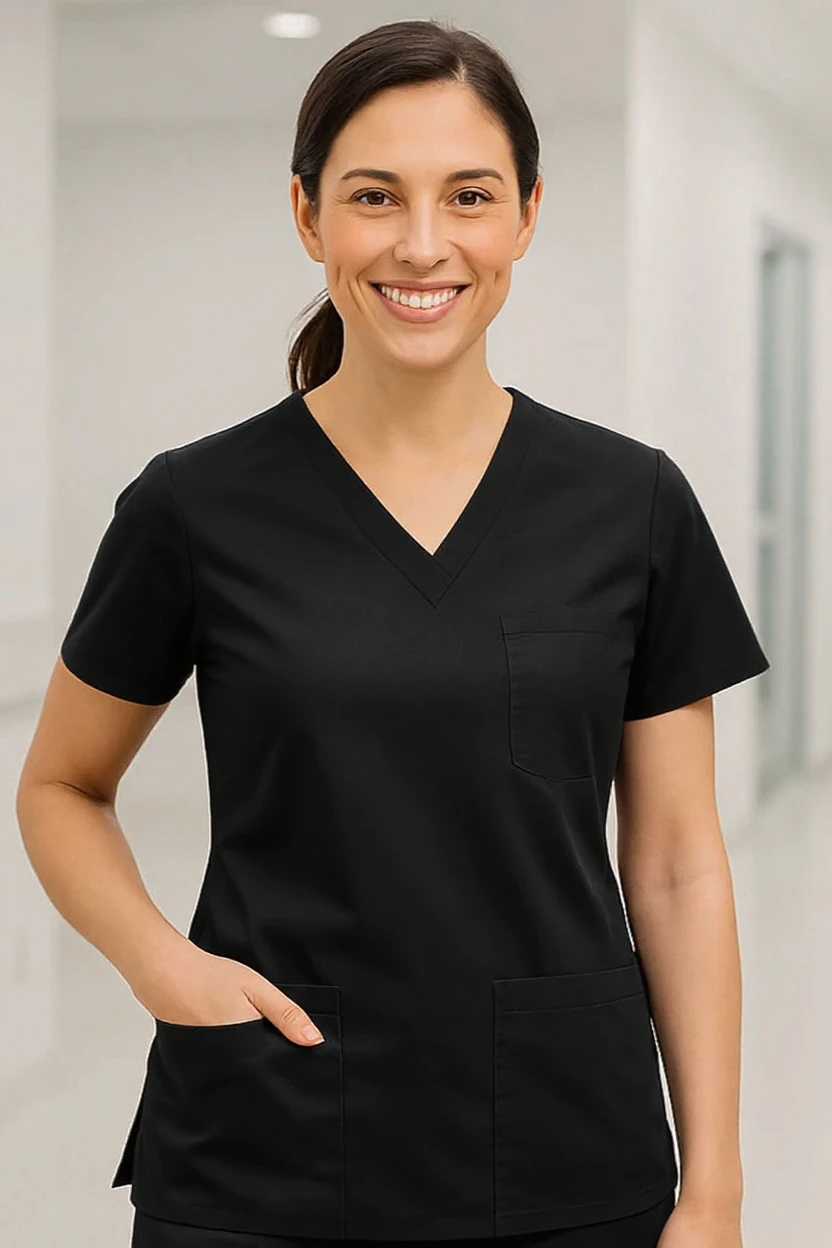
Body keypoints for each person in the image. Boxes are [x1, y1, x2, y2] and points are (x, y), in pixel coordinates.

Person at [15, 17, 768, 1248]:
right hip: (263, 1151)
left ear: (526, 214)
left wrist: (717, 1187)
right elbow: (60, 784)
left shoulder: (630, 503)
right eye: (375, 196)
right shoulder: (196, 506)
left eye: (468, 195)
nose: (424, 244)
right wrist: (161, 965)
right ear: (309, 218)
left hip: (565, 1151)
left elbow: (679, 863)